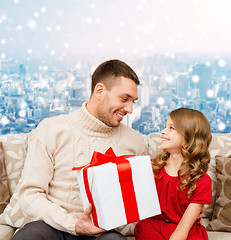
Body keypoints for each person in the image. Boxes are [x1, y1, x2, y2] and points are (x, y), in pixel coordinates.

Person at [12, 59, 148, 240]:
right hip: (53, 227)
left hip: (103, 233)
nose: (130, 109)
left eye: (133, 101)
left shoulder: (135, 141)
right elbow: (30, 194)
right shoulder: (52, 129)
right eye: (124, 99)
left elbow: (140, 202)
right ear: (99, 91)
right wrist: (72, 224)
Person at [135, 108, 212, 240]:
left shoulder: (202, 180)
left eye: (171, 128)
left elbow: (183, 228)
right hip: (152, 228)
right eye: (165, 127)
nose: (163, 132)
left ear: (190, 136)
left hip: (185, 231)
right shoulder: (150, 168)